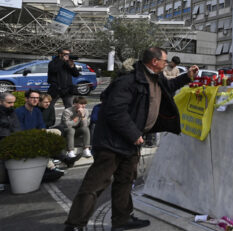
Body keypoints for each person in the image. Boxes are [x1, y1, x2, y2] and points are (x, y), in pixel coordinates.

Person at [64, 47, 198, 231]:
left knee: (125, 181)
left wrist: (187, 76)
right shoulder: (128, 81)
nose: (166, 64)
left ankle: (122, 220)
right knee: (95, 184)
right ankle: (75, 225)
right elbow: (114, 111)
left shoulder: (154, 79)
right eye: (164, 61)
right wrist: (133, 134)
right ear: (154, 62)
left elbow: (169, 87)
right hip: (112, 142)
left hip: (130, 142)